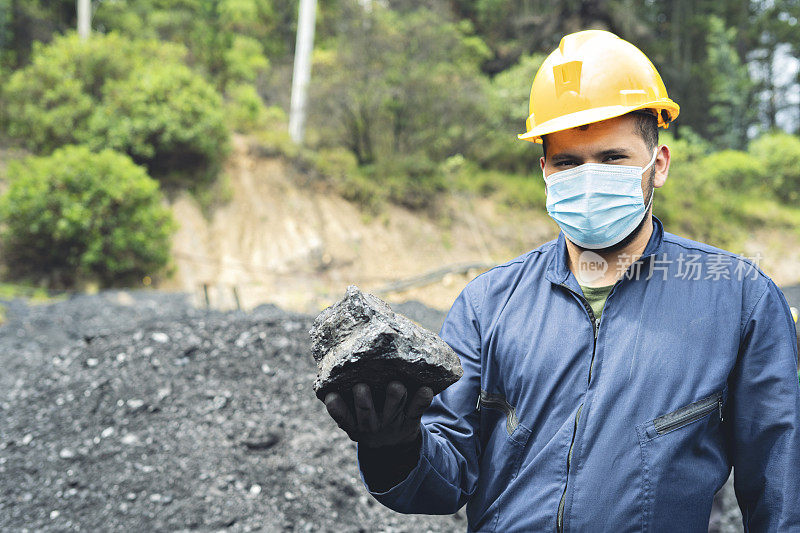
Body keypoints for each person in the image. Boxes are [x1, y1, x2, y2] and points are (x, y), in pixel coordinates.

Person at [321, 30, 800, 531]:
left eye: (612, 158)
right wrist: (396, 448)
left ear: (657, 165)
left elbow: (779, 486)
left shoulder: (737, 297)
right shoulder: (488, 304)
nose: (589, 177)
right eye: (569, 162)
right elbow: (447, 481)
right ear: (545, 169)